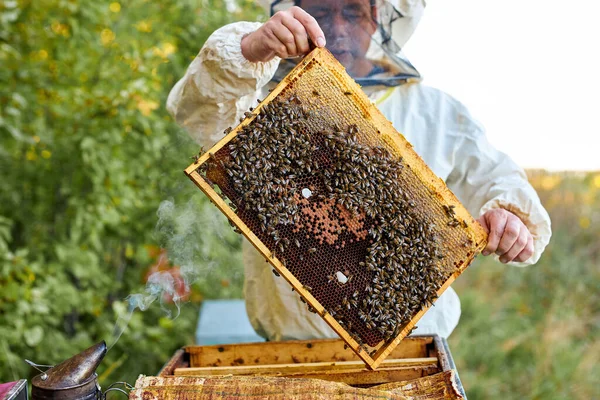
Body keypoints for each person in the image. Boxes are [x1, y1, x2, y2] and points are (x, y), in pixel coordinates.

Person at [167, 0, 552, 341]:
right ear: (294, 15)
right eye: (321, 12)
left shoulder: (436, 111)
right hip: (291, 349)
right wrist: (250, 50)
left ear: (377, 20)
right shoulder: (257, 98)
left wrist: (510, 218)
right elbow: (195, 110)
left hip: (414, 349)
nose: (336, 27)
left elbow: (498, 181)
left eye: (352, 11)